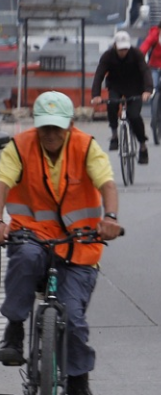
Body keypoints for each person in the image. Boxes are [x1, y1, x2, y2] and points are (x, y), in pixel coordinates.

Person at [0, 91, 122, 395]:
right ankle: (15, 328)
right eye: (45, 127)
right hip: (32, 234)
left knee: (75, 320)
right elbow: (2, 181)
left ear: (69, 125)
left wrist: (109, 217)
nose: (51, 134)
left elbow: (106, 183)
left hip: (79, 245)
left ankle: (79, 381)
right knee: (25, 257)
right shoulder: (19, 147)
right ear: (37, 125)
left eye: (57, 127)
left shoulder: (86, 147)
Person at [90, 31, 152, 164]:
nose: (123, 52)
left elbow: (145, 71)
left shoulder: (136, 54)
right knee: (111, 104)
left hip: (135, 87)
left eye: (125, 49)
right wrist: (96, 95)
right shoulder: (108, 56)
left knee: (134, 115)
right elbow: (99, 75)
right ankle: (114, 134)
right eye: (120, 49)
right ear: (114, 46)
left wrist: (147, 90)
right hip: (116, 86)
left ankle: (142, 145)